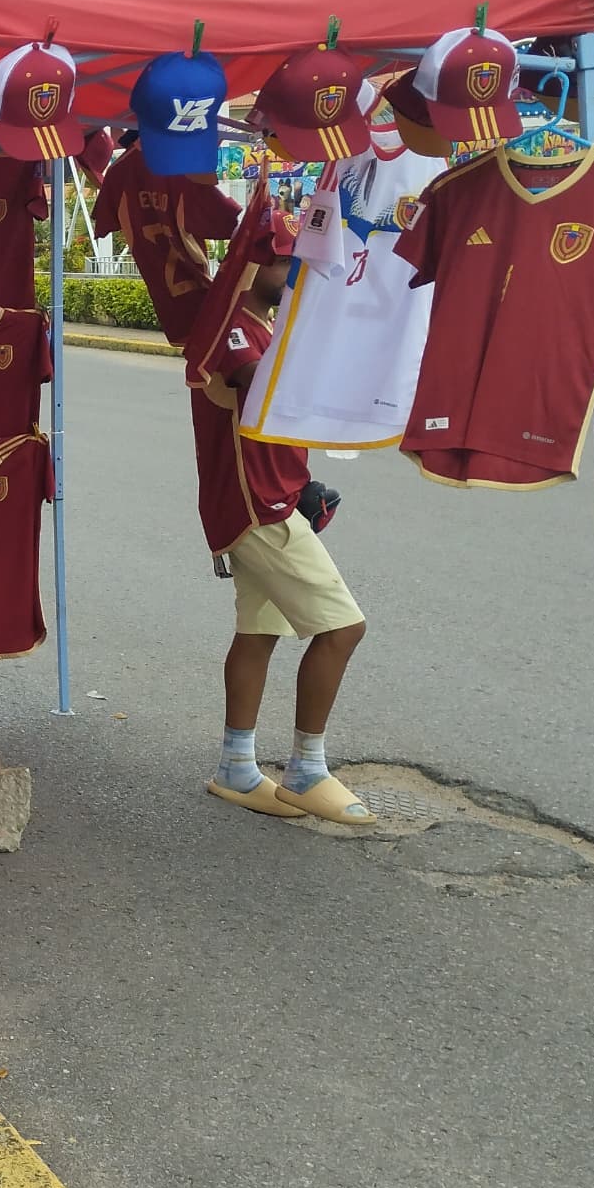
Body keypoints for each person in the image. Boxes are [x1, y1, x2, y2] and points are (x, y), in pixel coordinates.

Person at [193, 226, 376, 826]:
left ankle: (236, 766)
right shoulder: (232, 329)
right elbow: (274, 388)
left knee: (258, 632)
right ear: (255, 264)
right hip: (258, 510)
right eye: (290, 263)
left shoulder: (260, 325)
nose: (299, 274)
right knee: (343, 628)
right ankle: (306, 770)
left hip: (273, 501)